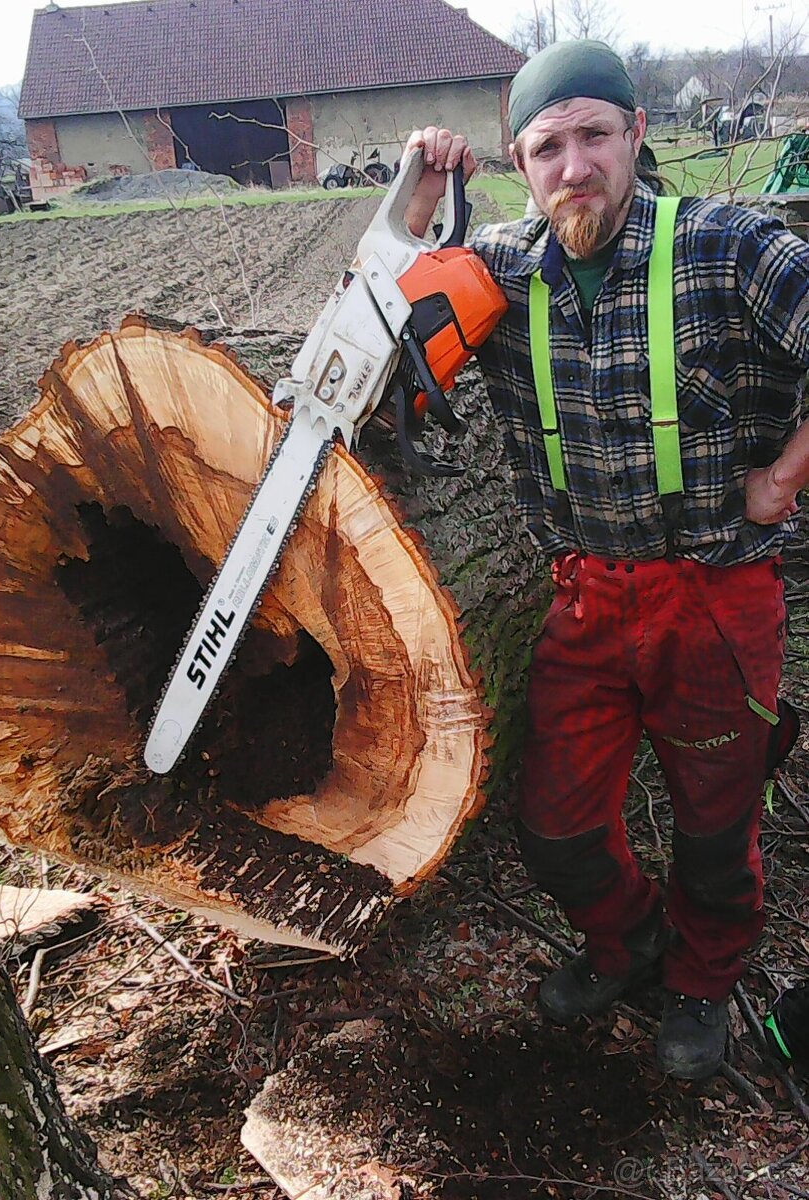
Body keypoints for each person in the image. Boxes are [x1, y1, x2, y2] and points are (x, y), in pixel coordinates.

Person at [403, 39, 809, 1081]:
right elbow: (380, 338)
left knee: (717, 828)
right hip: (583, 596)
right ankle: (628, 942)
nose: (573, 166)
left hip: (714, 596)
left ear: (635, 135)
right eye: (547, 147)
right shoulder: (496, 268)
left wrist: (784, 478)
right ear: (518, 162)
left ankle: (705, 979)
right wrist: (413, 200)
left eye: (593, 136)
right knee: (555, 825)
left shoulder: (727, 246)